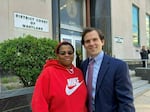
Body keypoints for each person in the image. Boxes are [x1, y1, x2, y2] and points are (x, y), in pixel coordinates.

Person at [80, 27, 135, 112]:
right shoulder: (83, 65)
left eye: (95, 39)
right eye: (87, 41)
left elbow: (126, 101)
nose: (91, 43)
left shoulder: (119, 66)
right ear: (84, 45)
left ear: (102, 42)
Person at [31, 41, 87, 112]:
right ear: (57, 55)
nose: (67, 55)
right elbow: (38, 102)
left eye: (70, 53)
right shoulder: (48, 73)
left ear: (74, 55)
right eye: (62, 53)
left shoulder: (78, 72)